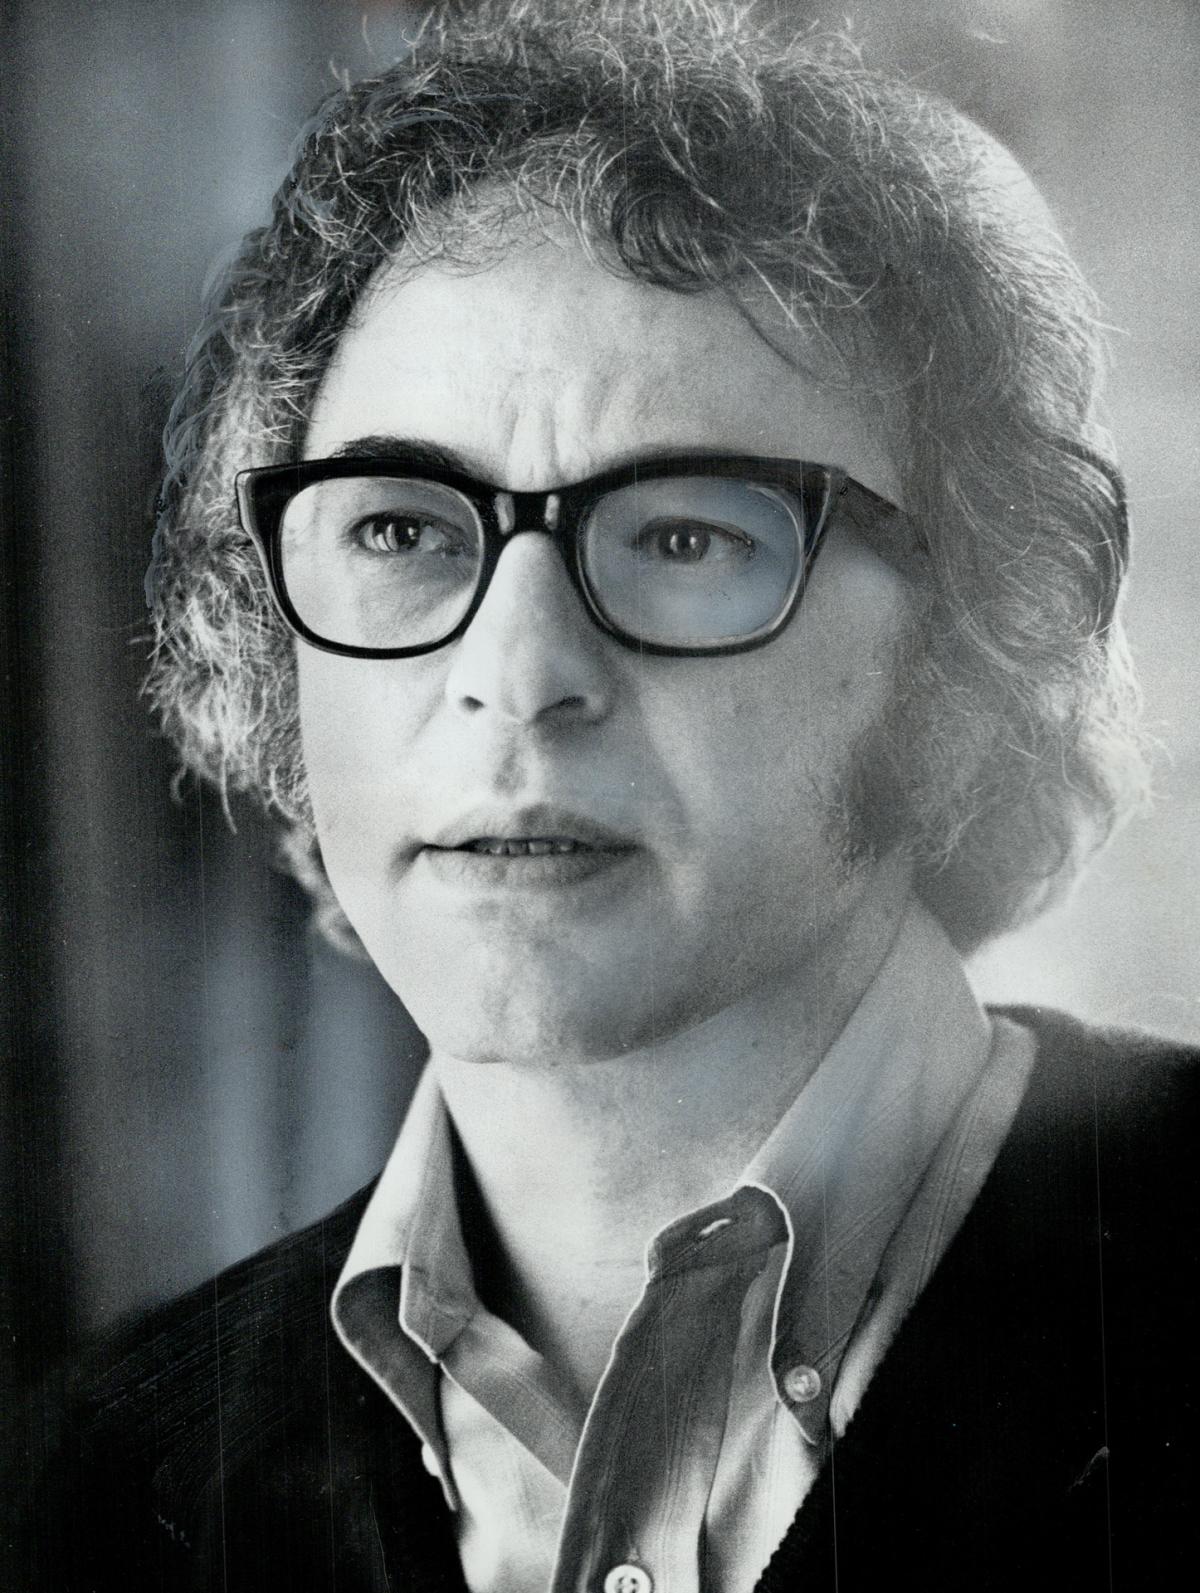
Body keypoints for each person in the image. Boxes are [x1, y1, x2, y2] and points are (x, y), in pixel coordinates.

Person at [30, 1, 1196, 1588]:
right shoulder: (89, 1486)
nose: (517, 673)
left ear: (967, 633)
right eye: (399, 528)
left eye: (685, 536)